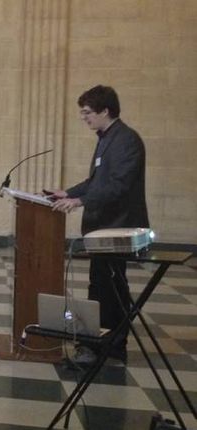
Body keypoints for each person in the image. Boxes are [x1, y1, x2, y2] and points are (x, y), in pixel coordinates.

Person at [51, 85, 148, 366]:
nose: (84, 118)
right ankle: (98, 342)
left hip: (118, 228)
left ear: (105, 111)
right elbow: (96, 183)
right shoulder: (107, 138)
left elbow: (118, 187)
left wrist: (79, 202)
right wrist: (67, 193)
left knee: (112, 289)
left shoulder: (126, 140)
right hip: (102, 228)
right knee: (100, 287)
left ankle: (113, 347)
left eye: (87, 113)